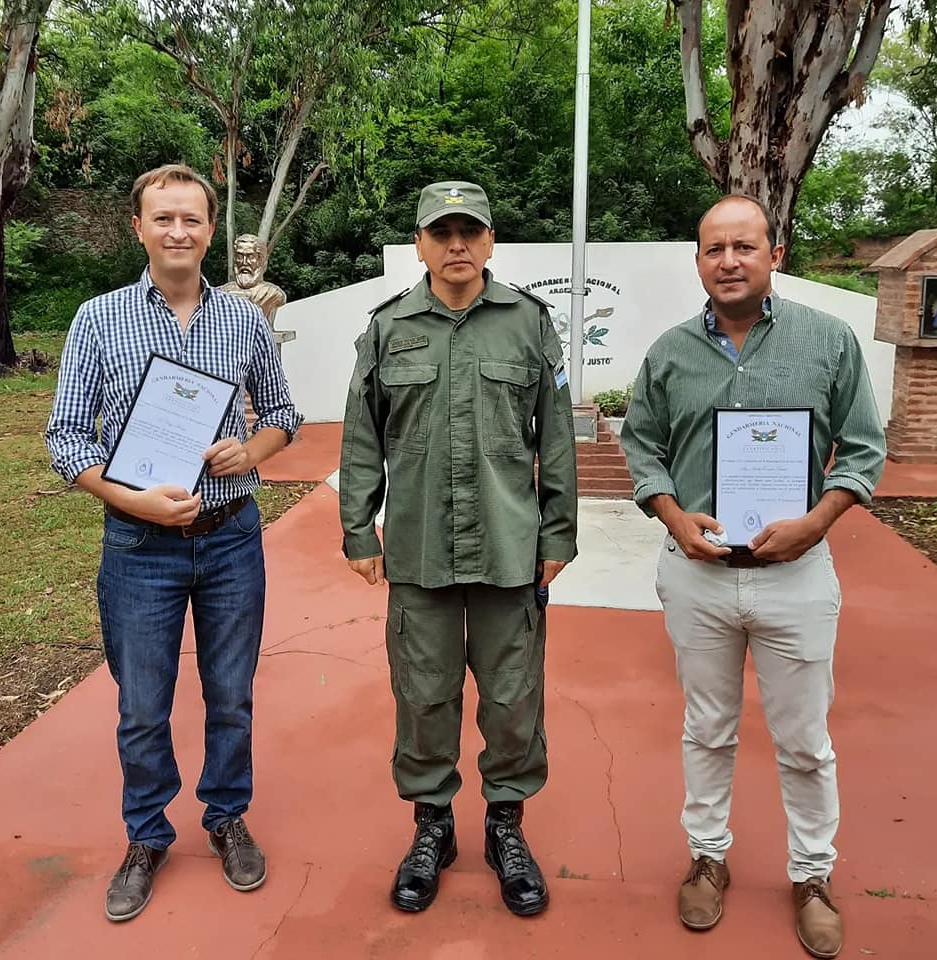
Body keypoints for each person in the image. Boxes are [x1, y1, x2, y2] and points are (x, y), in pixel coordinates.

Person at [621, 195, 886, 959]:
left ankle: (812, 875)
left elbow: (865, 449)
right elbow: (643, 447)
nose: (729, 261)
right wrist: (672, 516)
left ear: (775, 253)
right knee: (707, 728)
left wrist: (817, 520)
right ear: (698, 262)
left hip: (796, 576)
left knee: (805, 741)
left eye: (744, 246)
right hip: (697, 575)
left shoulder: (828, 342)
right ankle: (708, 858)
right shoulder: (670, 352)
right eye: (714, 249)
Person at [46, 164, 302, 922]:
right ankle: (146, 835)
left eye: (192, 219)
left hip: (230, 541)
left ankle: (225, 816)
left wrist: (249, 453)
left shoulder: (244, 320)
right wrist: (132, 501)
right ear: (139, 227)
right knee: (142, 705)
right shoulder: (98, 319)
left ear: (212, 230)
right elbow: (65, 438)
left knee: (231, 697)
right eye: (164, 219)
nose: (178, 231)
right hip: (138, 546)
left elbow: (284, 412)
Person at [339, 180, 578, 916]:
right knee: (423, 696)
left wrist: (559, 532)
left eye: (469, 231)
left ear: (490, 240)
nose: (456, 246)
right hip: (416, 549)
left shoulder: (529, 324)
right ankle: (432, 827)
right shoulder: (387, 328)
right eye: (440, 233)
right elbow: (360, 437)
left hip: (510, 548)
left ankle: (506, 824)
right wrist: (357, 526)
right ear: (418, 244)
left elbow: (558, 437)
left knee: (512, 701)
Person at [219, 234, 287, 328]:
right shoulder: (221, 292)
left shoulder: (272, 293)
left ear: (261, 260)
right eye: (239, 256)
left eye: (250, 256)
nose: (244, 262)